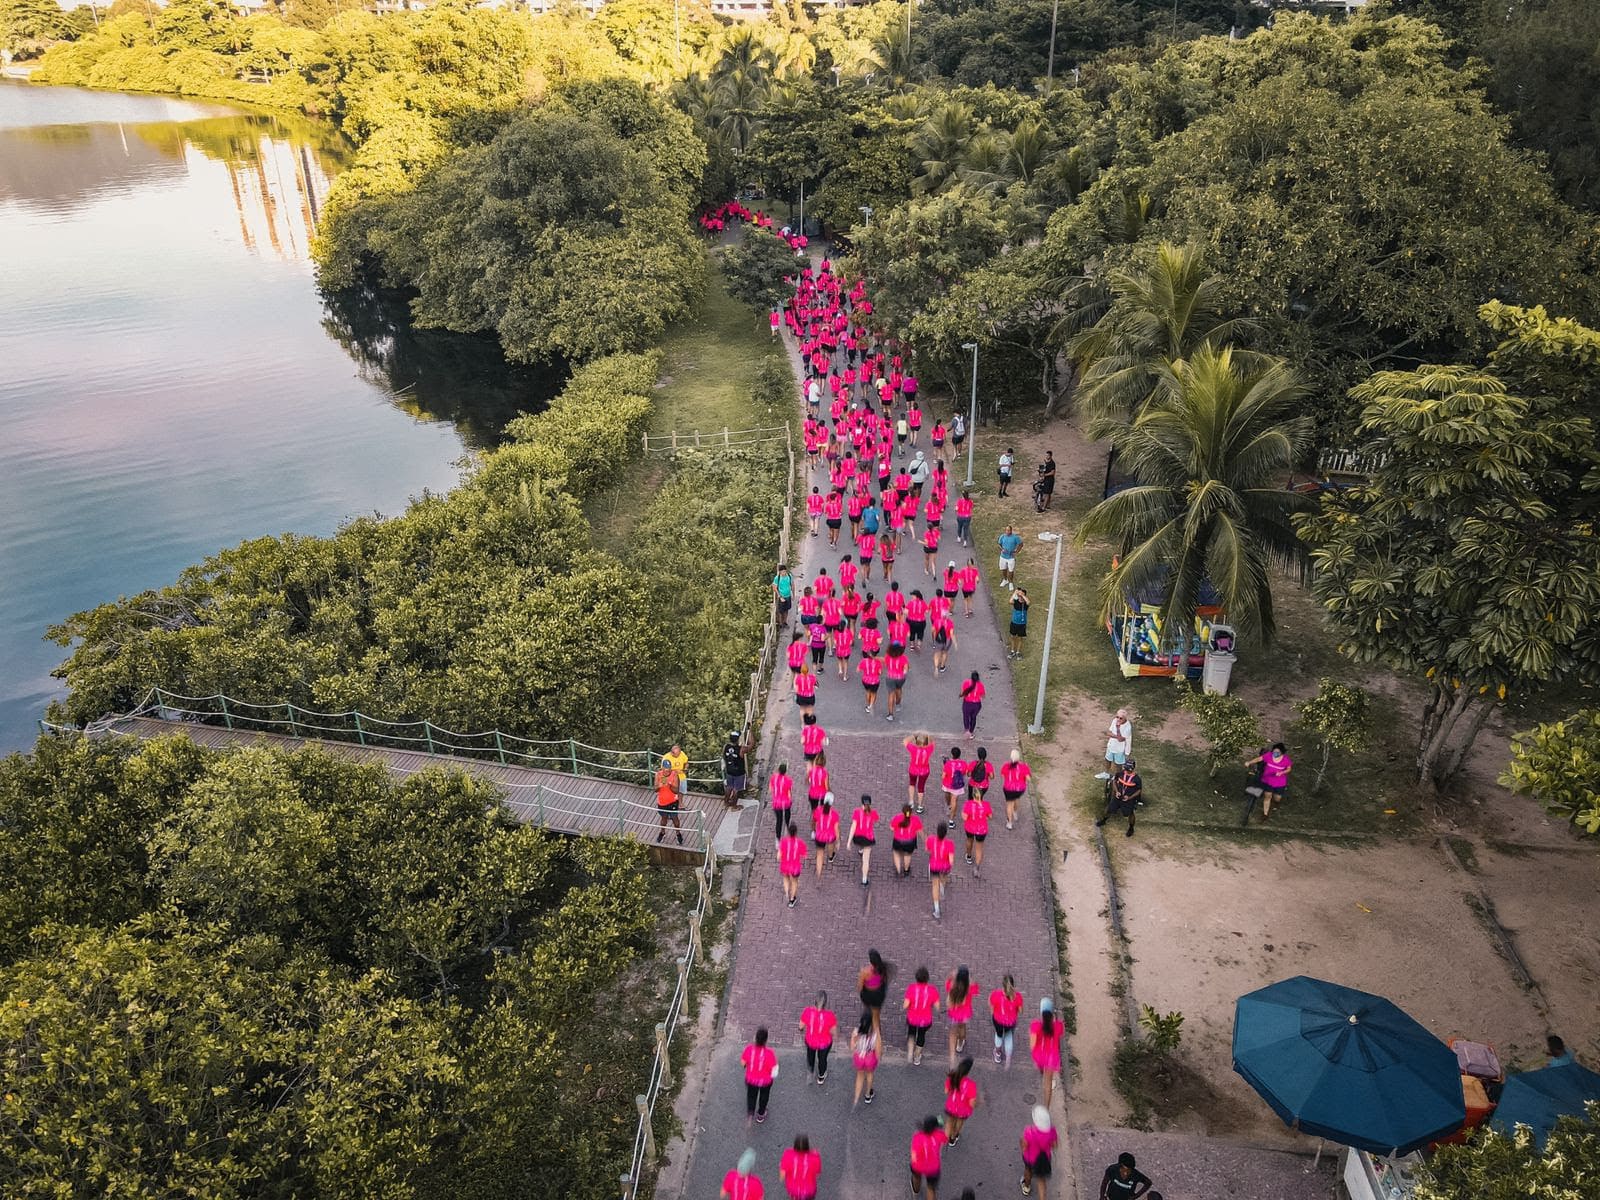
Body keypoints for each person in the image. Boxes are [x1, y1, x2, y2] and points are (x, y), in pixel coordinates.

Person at [1245, 742, 1293, 820]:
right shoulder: (1269, 755)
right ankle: (1265, 814)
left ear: (1282, 752)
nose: (1275, 753)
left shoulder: (1285, 760)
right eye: (1274, 751)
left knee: (1277, 797)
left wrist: (1282, 772)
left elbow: (1289, 769)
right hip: (1267, 780)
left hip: (1279, 783)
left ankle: (1276, 803)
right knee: (1267, 796)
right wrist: (1249, 762)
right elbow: (1259, 759)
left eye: (1278, 752)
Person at [1096, 757, 1143, 837]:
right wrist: (1116, 791)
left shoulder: (1137, 779)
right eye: (1126, 768)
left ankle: (1131, 828)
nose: (1126, 771)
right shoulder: (1120, 774)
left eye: (1128, 769)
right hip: (1118, 797)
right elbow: (1114, 781)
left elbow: (1139, 790)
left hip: (1128, 800)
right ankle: (1104, 820)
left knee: (1130, 813)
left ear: (1132, 769)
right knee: (1109, 809)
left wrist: (1130, 797)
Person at [904, 966, 940, 1065]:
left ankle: (910, 1051)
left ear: (916, 978)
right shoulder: (932, 990)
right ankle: (917, 1056)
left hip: (912, 1018)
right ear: (927, 978)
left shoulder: (911, 988)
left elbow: (905, 1005)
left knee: (911, 1033)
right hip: (925, 1020)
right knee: (921, 1035)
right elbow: (937, 1006)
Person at [1020, 1106, 1059, 1199]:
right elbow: (1055, 1145)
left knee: (1028, 1171)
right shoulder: (1052, 1131)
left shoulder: (1029, 1131)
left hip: (1030, 1158)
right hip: (1044, 1159)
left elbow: (1024, 1146)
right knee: (1041, 1181)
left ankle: (1026, 1187)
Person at [1030, 999, 1063, 1106]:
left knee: (1041, 1068)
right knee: (1048, 1084)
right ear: (1052, 1013)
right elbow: (1059, 1037)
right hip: (1051, 1057)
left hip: (1039, 1055)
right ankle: (1046, 1108)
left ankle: (1041, 1072)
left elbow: (1032, 1045)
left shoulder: (1035, 1026)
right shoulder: (1058, 1026)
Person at [800, 991, 837, 1085]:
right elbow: (833, 1032)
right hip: (824, 1043)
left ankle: (811, 1072)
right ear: (825, 1003)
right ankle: (821, 1077)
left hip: (810, 1040)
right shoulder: (830, 1015)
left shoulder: (807, 1011)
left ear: (814, 1001)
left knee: (810, 1056)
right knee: (822, 1059)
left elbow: (801, 1026)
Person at [742, 1027, 778, 1124]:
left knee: (751, 1096)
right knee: (764, 1096)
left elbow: (743, 1063)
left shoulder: (749, 1049)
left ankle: (750, 1112)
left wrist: (748, 1065)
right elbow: (775, 1072)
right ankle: (761, 1115)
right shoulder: (770, 1053)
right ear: (766, 1040)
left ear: (755, 1038)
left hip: (751, 1080)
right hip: (765, 1082)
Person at [910, 1115, 949, 1200]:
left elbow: (914, 1155)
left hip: (918, 1165)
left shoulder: (918, 1136)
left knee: (916, 1177)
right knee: (931, 1189)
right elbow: (946, 1139)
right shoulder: (939, 1135)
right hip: (933, 1167)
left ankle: (916, 1192)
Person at [942, 1057, 979, 1144]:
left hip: (951, 1106)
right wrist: (977, 1103)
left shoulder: (951, 1078)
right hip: (963, 1109)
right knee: (959, 1122)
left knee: (950, 1121)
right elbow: (971, 1103)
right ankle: (953, 1137)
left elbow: (946, 1091)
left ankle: (946, 1138)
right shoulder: (971, 1085)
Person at [989, 974, 1023, 1066]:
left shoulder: (996, 994)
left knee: (998, 1036)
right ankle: (1008, 1055)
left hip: (998, 1021)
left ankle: (998, 1054)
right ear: (1013, 985)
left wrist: (994, 1014)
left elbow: (991, 1008)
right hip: (1010, 1022)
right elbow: (1021, 1011)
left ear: (1003, 985)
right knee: (1008, 1036)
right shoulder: (1017, 997)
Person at [945, 966, 975, 1064]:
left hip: (954, 1014)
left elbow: (947, 984)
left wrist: (951, 977)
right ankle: (961, 1043)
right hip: (965, 1014)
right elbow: (975, 989)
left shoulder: (952, 985)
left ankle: (952, 1057)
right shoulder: (970, 987)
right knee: (962, 1028)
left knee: (953, 1033)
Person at [851, 1010, 882, 1107]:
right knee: (869, 1074)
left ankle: (856, 1099)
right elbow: (878, 1051)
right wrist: (878, 1058)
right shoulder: (875, 1034)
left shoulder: (856, 1032)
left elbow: (852, 1047)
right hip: (870, 1058)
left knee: (860, 1076)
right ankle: (868, 1094)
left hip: (859, 1057)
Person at [858, 949, 889, 1038]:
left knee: (869, 1013)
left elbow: (860, 986)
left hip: (868, 995)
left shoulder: (865, 971)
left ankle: (867, 1037)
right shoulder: (883, 969)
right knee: (876, 1017)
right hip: (878, 995)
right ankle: (877, 1037)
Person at [962, 784, 992, 878]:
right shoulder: (986, 805)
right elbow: (990, 817)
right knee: (979, 848)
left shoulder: (968, 804)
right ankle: (977, 867)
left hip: (970, 827)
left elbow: (965, 817)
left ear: (973, 795)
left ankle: (969, 856)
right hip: (982, 830)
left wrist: (963, 813)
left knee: (969, 840)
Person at [850, 794, 879, 886]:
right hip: (868, 838)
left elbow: (853, 827)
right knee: (865, 860)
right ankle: (864, 879)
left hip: (858, 837)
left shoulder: (856, 812)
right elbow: (875, 820)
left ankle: (861, 849)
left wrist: (849, 841)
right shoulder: (873, 813)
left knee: (861, 844)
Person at [928, 821, 955, 920]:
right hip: (944, 867)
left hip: (934, 866)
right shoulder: (950, 844)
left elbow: (928, 850)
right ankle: (942, 888)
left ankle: (937, 909)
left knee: (934, 885)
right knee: (943, 879)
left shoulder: (931, 840)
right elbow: (951, 860)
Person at [779, 1135, 820, 1200]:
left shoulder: (788, 1154)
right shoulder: (815, 1157)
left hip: (793, 1190)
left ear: (795, 1145)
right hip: (809, 1190)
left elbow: (782, 1176)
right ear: (807, 1145)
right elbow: (817, 1174)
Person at [1000, 749, 1031, 830]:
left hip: (1008, 788)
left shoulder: (1006, 766)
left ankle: (1009, 823)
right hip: (1019, 789)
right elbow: (1028, 779)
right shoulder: (1024, 767)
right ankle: (1015, 811)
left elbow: (1003, 776)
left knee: (1009, 804)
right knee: (1016, 799)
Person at [654, 762, 684, 845]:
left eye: (668, 770)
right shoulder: (658, 774)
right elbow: (655, 789)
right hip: (662, 802)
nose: (667, 772)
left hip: (672, 802)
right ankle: (662, 832)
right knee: (664, 819)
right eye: (665, 770)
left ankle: (678, 833)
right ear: (662, 768)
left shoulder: (674, 775)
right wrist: (659, 786)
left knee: (675, 819)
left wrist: (670, 785)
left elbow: (676, 791)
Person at [891, 801, 923, 877]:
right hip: (910, 841)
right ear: (911, 812)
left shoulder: (897, 817)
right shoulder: (915, 819)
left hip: (898, 840)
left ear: (903, 811)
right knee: (907, 855)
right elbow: (919, 831)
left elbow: (892, 828)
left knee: (896, 853)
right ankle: (906, 870)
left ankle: (898, 870)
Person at [778, 821, 806, 907]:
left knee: (786, 878)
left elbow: (778, 856)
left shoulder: (783, 842)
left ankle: (786, 892)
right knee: (794, 882)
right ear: (796, 832)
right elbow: (803, 855)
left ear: (788, 832)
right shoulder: (800, 843)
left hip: (785, 865)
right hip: (795, 867)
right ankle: (792, 899)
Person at [906, 731, 934, 811]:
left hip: (913, 769)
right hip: (924, 771)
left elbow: (905, 741)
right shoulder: (929, 749)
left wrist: (914, 735)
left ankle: (911, 802)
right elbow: (932, 742)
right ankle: (920, 806)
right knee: (921, 787)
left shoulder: (913, 748)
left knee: (912, 784)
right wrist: (928, 735)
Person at [813, 792, 840, 876]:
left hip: (819, 835)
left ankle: (819, 873)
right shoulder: (835, 814)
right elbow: (836, 829)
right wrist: (838, 840)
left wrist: (814, 830)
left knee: (820, 854)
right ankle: (830, 857)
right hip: (830, 836)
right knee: (831, 845)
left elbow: (814, 822)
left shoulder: (818, 811)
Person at [723, 729, 751, 809]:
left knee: (729, 787)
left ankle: (726, 803)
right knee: (736, 789)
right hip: (739, 773)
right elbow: (751, 744)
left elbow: (724, 757)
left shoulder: (726, 747)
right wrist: (750, 730)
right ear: (738, 739)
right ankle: (734, 806)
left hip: (729, 771)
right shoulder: (741, 749)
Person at [769, 762, 794, 844]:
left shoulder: (773, 778)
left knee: (779, 821)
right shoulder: (788, 780)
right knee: (787, 814)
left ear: (778, 770)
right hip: (786, 801)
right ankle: (787, 826)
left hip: (777, 802)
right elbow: (789, 792)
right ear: (785, 771)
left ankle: (778, 839)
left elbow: (770, 790)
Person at [1103, 709, 1132, 775]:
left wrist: (1118, 728)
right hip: (1111, 745)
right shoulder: (1114, 721)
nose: (1118, 719)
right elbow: (1108, 733)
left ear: (1125, 718)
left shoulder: (1128, 727)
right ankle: (1106, 773)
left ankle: (1117, 777)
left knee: (1118, 764)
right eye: (1117, 717)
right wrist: (1117, 736)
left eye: (1121, 718)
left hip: (1120, 749)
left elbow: (1120, 740)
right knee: (1107, 760)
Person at [960, 671, 985, 739]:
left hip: (967, 703)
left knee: (966, 716)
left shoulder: (966, 682)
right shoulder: (980, 685)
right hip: (976, 705)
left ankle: (967, 730)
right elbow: (983, 696)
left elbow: (962, 692)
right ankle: (971, 732)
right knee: (973, 717)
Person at [997, 526, 1022, 591]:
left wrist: (1016, 551)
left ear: (1011, 531)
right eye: (1006, 530)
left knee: (1011, 570)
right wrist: (1002, 549)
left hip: (1011, 557)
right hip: (1003, 556)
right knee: (1003, 569)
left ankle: (1010, 582)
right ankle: (1005, 580)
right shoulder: (1002, 536)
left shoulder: (1015, 537)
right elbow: (999, 544)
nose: (1007, 532)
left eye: (1009, 530)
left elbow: (1021, 544)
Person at [1008, 587, 1030, 659]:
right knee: (1012, 636)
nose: (1019, 596)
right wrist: (1015, 593)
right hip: (1014, 622)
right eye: (1019, 595)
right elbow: (1010, 601)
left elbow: (1028, 602)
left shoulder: (1025, 604)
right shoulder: (1016, 602)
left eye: (1021, 595)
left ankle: (1018, 652)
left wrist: (1022, 595)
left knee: (1020, 638)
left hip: (1022, 624)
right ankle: (1012, 651)